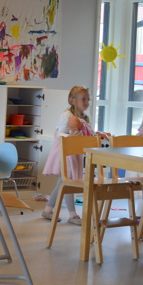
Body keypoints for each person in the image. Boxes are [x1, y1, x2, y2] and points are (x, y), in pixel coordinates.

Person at [41, 85, 104, 225]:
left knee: (65, 183)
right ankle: (72, 215)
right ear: (72, 100)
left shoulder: (84, 118)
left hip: (74, 154)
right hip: (66, 154)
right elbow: (60, 134)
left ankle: (48, 210)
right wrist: (71, 136)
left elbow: (89, 133)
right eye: (83, 99)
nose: (87, 102)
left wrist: (98, 134)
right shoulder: (67, 115)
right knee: (66, 183)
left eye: (88, 99)